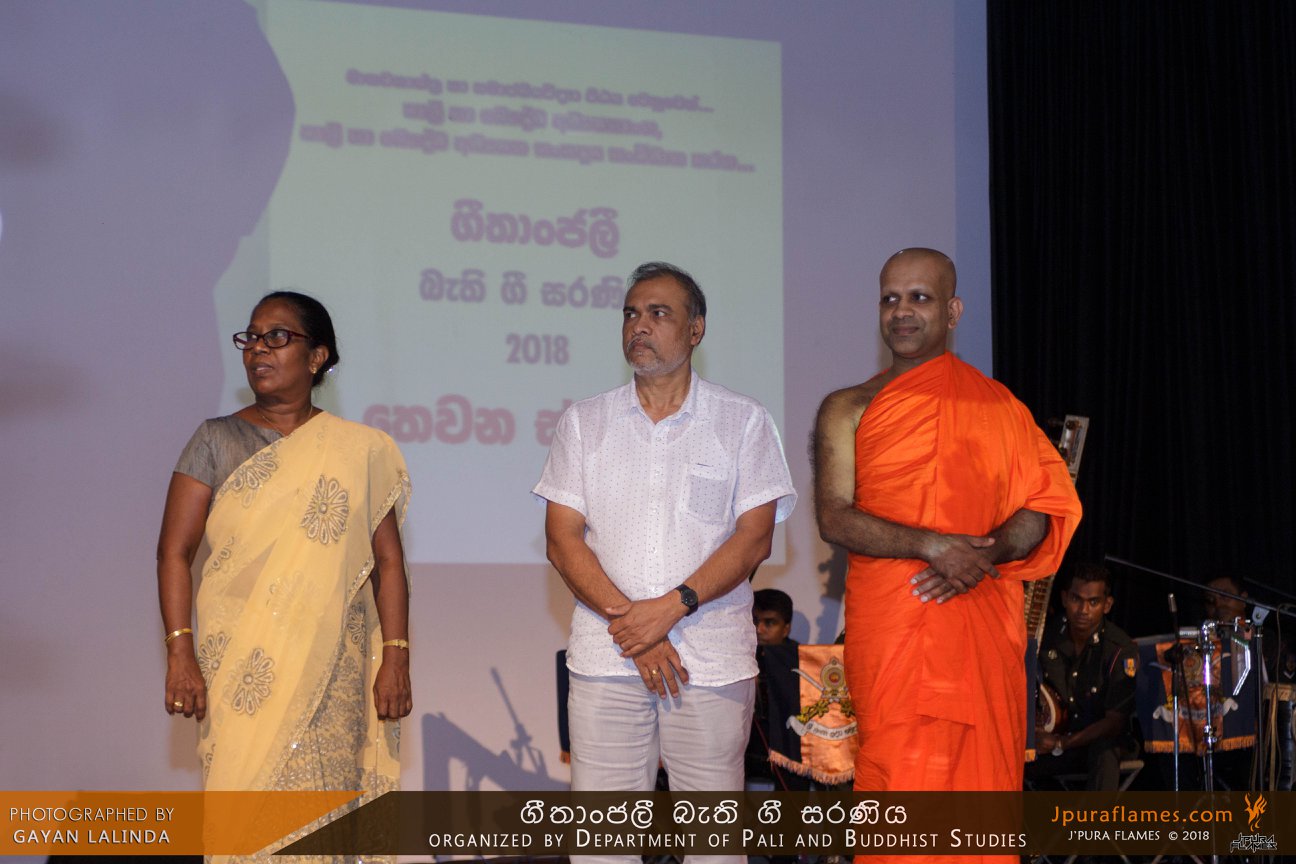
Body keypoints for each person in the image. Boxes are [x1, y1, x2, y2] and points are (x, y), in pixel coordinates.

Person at [534, 262, 795, 864]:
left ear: (696, 329)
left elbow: (755, 538)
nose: (639, 325)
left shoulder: (743, 420)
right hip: (607, 659)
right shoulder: (584, 422)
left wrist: (671, 609)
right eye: (630, 313)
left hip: (710, 663)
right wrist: (636, 627)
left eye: (658, 313)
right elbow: (562, 540)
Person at [813, 248, 1082, 810]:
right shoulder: (849, 407)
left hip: (980, 620)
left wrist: (982, 555)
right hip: (894, 626)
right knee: (898, 780)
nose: (901, 311)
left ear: (953, 312)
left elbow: (1042, 506)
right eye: (890, 299)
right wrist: (933, 547)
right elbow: (834, 516)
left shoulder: (1001, 408)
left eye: (920, 298)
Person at [157, 292, 412, 854]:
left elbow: (388, 562)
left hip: (332, 671)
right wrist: (180, 652)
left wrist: (396, 655)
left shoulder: (359, 451)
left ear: (317, 357)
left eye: (277, 337)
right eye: (250, 337)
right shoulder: (214, 440)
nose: (257, 349)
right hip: (239, 668)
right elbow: (174, 552)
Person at [1029, 563, 1138, 790]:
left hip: (1097, 742)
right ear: (1064, 598)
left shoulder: (1119, 648)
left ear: (1107, 605)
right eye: (1076, 599)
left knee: (1105, 750)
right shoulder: (1045, 636)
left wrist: (1063, 743)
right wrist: (1035, 732)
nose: (1083, 610)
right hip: (1052, 738)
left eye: (1093, 602)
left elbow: (1114, 722)